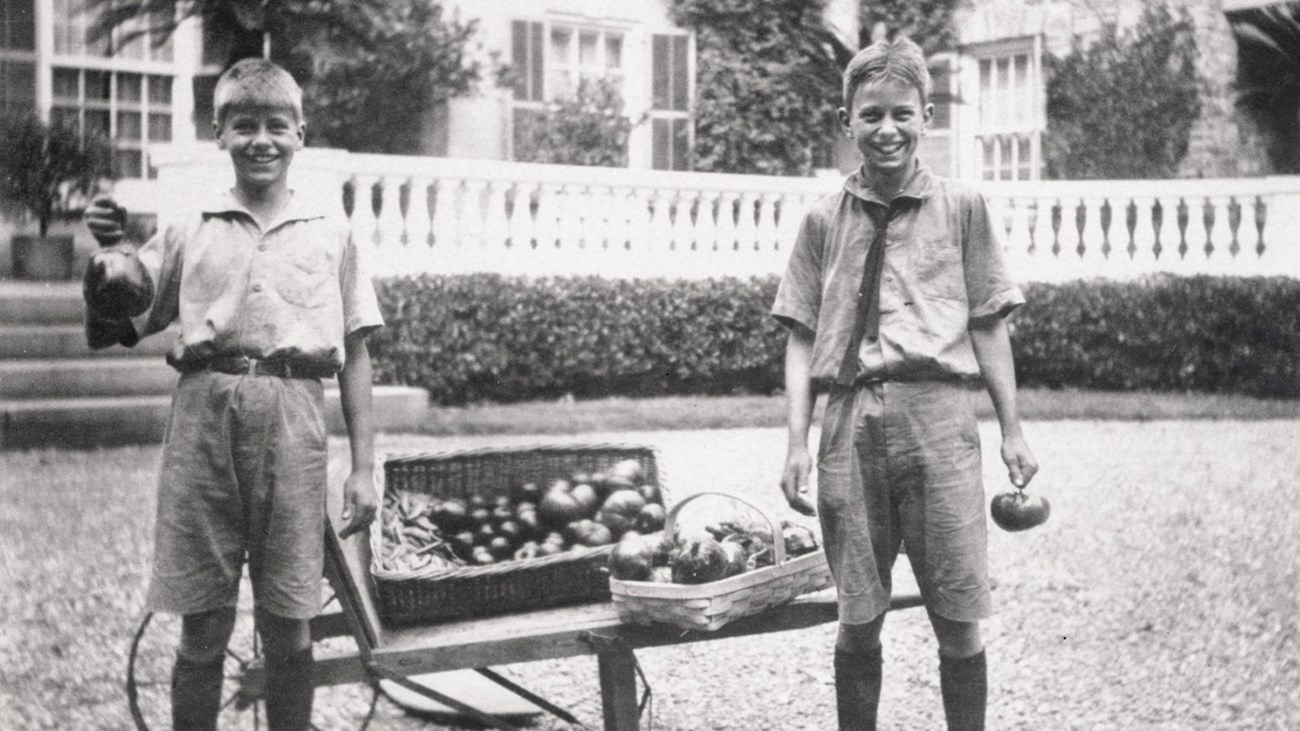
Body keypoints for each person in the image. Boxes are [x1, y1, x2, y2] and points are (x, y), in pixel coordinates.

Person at [82, 58, 384, 731]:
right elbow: (115, 329)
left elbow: (356, 352)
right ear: (218, 132)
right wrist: (103, 263)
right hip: (204, 424)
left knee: (290, 622)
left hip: (293, 425)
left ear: (300, 132)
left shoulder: (331, 231)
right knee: (203, 623)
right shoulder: (192, 227)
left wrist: (364, 469)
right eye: (243, 124)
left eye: (277, 124)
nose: (261, 139)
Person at [773, 37, 1039, 731]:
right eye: (871, 115)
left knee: (958, 615)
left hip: (939, 423)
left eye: (902, 114)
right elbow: (801, 336)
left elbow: (988, 324)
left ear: (926, 117)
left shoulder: (963, 208)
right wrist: (796, 441)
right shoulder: (821, 220)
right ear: (846, 122)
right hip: (849, 424)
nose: (886, 129)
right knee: (858, 616)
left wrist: (1012, 429)